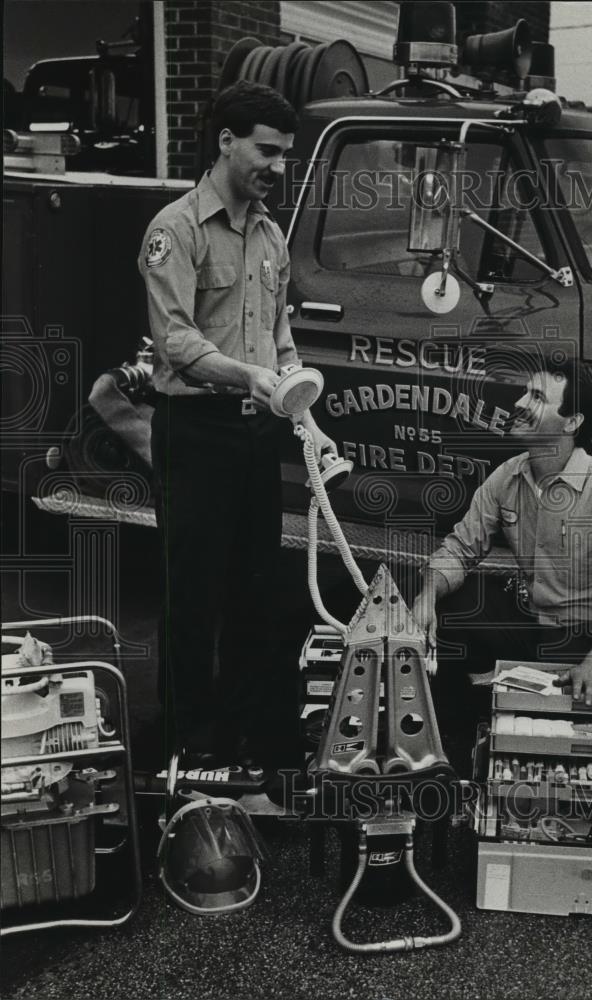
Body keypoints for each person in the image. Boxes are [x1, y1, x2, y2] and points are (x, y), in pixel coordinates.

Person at [138, 82, 335, 769]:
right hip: (194, 431)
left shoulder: (272, 235)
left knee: (260, 594)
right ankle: (185, 748)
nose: (278, 166)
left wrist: (301, 405)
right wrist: (249, 376)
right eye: (267, 150)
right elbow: (176, 342)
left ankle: (250, 743)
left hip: (258, 435)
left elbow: (278, 335)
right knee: (193, 599)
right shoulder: (177, 229)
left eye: (285, 155)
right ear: (226, 141)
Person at [412, 355, 592, 707]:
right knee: (445, 611)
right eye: (526, 393)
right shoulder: (507, 476)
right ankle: (449, 717)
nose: (520, 403)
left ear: (572, 422)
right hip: (528, 618)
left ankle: (539, 696)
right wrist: (427, 596)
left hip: (582, 635)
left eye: (538, 398)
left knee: (569, 706)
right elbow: (460, 549)